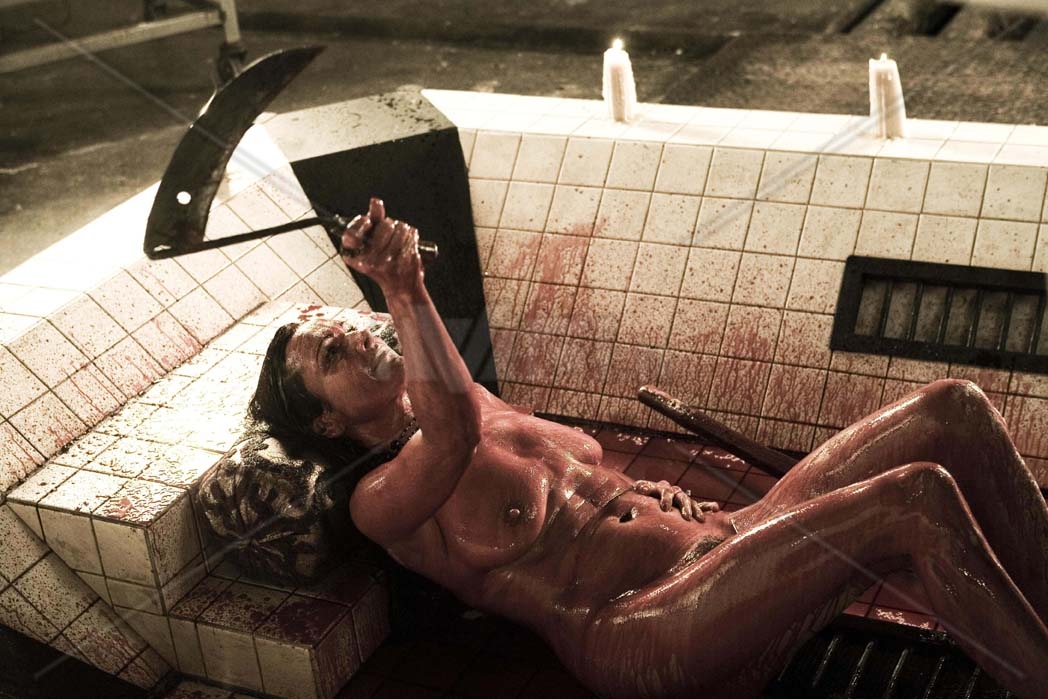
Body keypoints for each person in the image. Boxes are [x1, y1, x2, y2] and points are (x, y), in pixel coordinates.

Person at [250, 197, 1048, 699]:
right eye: (333, 353)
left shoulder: (469, 398)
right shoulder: (380, 501)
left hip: (725, 543)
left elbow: (546, 454)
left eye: (346, 324)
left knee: (953, 409)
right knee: (916, 501)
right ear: (327, 423)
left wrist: (646, 495)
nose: (358, 336)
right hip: (645, 625)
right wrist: (402, 284)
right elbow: (452, 434)